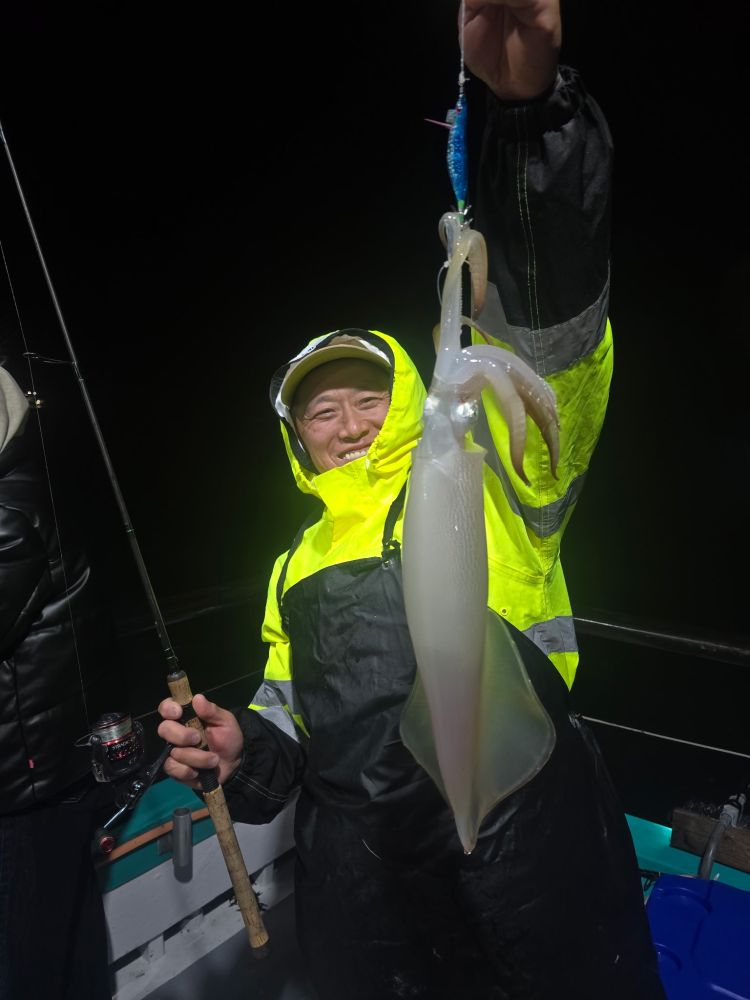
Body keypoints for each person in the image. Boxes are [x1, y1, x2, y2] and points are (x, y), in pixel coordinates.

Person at [159, 2, 667, 997]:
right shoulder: (294, 564)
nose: (345, 424)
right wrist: (240, 747)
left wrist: (525, 115)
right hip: (366, 882)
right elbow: (286, 728)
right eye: (320, 414)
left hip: (527, 843)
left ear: (407, 404)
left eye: (366, 398)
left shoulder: (496, 463)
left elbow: (553, 323)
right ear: (294, 442)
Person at [0, 360, 115, 1000]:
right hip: (46, 778)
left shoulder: (9, 517)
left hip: (25, 794)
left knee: (32, 971)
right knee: (66, 956)